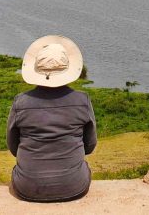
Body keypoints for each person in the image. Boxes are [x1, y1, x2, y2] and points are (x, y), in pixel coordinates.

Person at [7, 35, 97, 202]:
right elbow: (90, 146)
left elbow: (13, 147)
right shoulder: (82, 100)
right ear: (68, 69)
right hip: (74, 185)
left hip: (27, 187)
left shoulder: (20, 102)